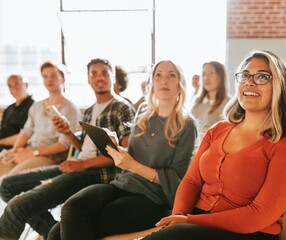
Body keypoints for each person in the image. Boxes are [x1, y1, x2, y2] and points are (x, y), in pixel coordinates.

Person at [142, 50, 286, 240]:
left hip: (247, 232)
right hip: (192, 225)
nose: (249, 82)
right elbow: (191, 182)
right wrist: (177, 218)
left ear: (280, 86)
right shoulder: (218, 130)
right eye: (245, 75)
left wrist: (188, 222)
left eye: (262, 77)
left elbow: (260, 214)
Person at [46, 60, 198, 240]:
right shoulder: (143, 114)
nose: (164, 80)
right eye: (158, 75)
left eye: (171, 75)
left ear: (180, 83)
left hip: (151, 198)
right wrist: (116, 146)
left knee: (66, 231)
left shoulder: (187, 125)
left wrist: (133, 166)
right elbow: (133, 154)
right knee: (70, 210)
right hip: (122, 184)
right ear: (152, 82)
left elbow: (178, 180)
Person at [0, 58, 134, 239]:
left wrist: (83, 165)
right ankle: (55, 233)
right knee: (7, 186)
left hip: (97, 173)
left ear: (113, 77)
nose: (99, 77)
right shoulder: (91, 110)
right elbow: (82, 147)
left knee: (17, 207)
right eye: (94, 73)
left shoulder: (122, 107)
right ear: (88, 79)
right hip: (77, 165)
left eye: (104, 73)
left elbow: (126, 154)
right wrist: (69, 133)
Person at [0, 61, 80, 176]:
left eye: (53, 76)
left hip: (50, 156)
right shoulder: (37, 106)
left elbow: (64, 144)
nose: (49, 80)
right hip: (29, 150)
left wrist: (33, 153)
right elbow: (26, 132)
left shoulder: (70, 109)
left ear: (63, 79)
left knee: (8, 179)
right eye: (45, 76)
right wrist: (14, 151)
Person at [190, 61, 231, 141]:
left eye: (211, 73)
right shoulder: (197, 102)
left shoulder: (229, 103)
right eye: (204, 74)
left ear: (221, 76)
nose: (206, 78)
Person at [0, 74, 34, 151]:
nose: (14, 89)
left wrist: (1, 142)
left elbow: (26, 136)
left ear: (26, 85)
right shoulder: (8, 109)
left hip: (14, 148)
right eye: (10, 86)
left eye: (17, 85)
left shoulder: (33, 108)